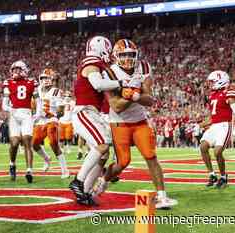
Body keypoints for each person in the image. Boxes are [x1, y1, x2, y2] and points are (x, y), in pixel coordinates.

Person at [94, 39, 178, 209]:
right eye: (123, 55)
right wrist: (129, 94)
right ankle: (103, 180)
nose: (127, 58)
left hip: (140, 121)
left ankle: (162, 196)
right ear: (116, 56)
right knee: (122, 162)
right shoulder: (110, 73)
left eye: (131, 54)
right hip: (119, 123)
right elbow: (116, 107)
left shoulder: (144, 67)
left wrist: (135, 94)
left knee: (151, 156)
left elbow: (150, 100)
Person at [69, 36, 125, 205]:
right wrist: (122, 82)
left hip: (92, 113)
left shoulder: (97, 64)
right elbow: (98, 85)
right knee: (102, 145)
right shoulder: (92, 61)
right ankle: (78, 181)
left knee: (104, 154)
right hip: (84, 111)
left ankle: (84, 192)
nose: (110, 54)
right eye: (108, 50)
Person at [199, 70, 235, 189]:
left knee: (217, 152)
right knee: (203, 146)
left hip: (225, 125)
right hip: (214, 126)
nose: (210, 84)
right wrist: (200, 124)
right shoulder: (213, 95)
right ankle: (212, 175)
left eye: (212, 81)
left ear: (220, 81)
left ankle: (223, 177)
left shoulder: (229, 92)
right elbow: (212, 116)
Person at [2, 60, 40, 183]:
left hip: (26, 114)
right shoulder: (8, 82)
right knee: (14, 143)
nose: (15, 72)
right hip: (14, 114)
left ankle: (29, 170)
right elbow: (4, 103)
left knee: (27, 141)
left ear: (24, 70)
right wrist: (9, 109)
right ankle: (12, 164)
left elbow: (38, 100)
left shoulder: (31, 82)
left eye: (18, 69)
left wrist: (38, 113)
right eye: (14, 70)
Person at [32, 68, 69, 177]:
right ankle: (47, 159)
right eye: (43, 78)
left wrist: (55, 115)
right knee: (34, 144)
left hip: (51, 119)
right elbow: (36, 105)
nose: (45, 80)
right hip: (40, 120)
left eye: (48, 78)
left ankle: (65, 170)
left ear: (52, 79)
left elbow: (61, 110)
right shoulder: (37, 90)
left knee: (53, 142)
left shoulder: (56, 91)